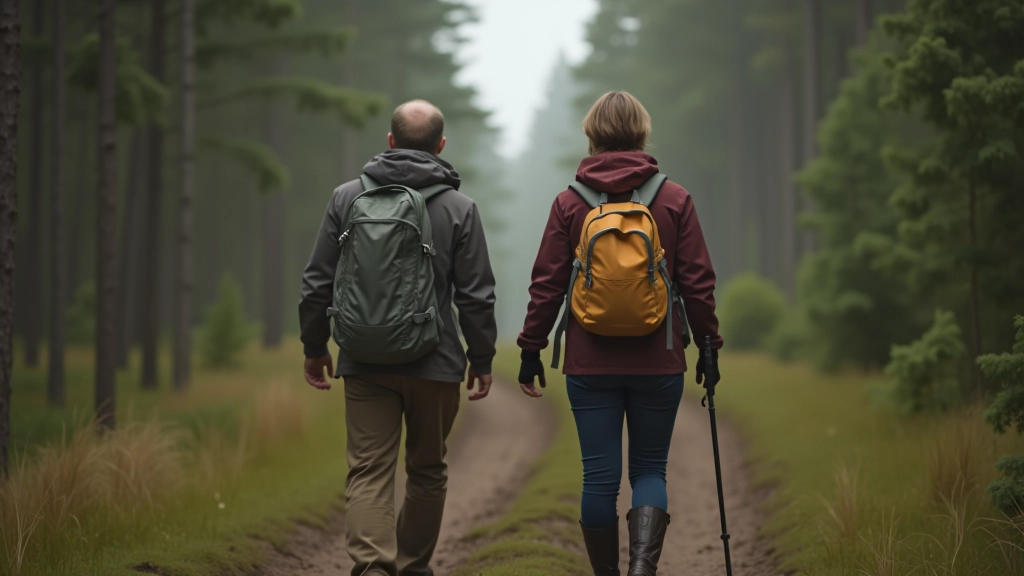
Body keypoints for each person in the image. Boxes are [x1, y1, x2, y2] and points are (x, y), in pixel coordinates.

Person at [517, 91, 722, 576]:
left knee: (599, 477)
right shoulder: (674, 199)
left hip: (590, 362)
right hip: (660, 358)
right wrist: (709, 346)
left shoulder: (570, 203)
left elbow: (546, 283)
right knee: (651, 470)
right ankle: (642, 571)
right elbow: (697, 282)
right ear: (642, 134)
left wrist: (531, 347)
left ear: (592, 136)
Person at [298, 99, 498, 576]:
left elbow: (316, 283)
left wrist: (314, 347)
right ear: (440, 145)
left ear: (390, 142)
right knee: (427, 471)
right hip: (436, 361)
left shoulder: (346, 198)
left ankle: (371, 568)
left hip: (364, 360)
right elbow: (476, 295)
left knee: (368, 471)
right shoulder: (459, 208)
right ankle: (410, 567)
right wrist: (482, 358)